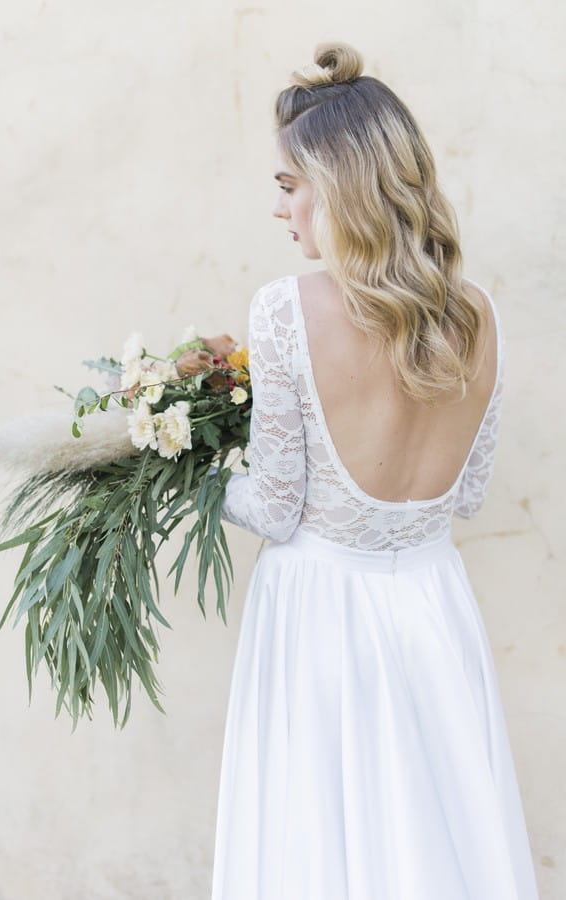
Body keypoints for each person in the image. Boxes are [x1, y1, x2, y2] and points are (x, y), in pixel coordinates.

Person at [209, 41, 539, 899]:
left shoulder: (286, 310)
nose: (281, 212)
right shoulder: (479, 314)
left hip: (319, 614)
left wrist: (196, 469)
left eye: (289, 186)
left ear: (341, 184)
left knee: (316, 848)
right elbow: (468, 491)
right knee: (437, 843)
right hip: (434, 603)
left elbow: (278, 508)